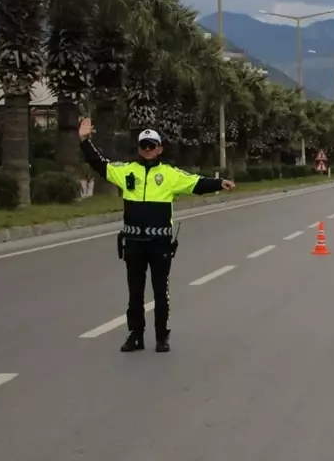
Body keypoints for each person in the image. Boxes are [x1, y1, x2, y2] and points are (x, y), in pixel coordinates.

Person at [79, 118, 235, 353]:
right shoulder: (126, 171)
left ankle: (162, 336)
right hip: (133, 243)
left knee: (161, 291)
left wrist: (219, 182)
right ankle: (135, 335)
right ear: (139, 148)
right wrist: (84, 140)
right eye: (144, 146)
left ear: (160, 148)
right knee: (135, 293)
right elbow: (99, 164)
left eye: (152, 146)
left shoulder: (169, 174)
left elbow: (196, 183)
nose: (148, 150)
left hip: (159, 244)